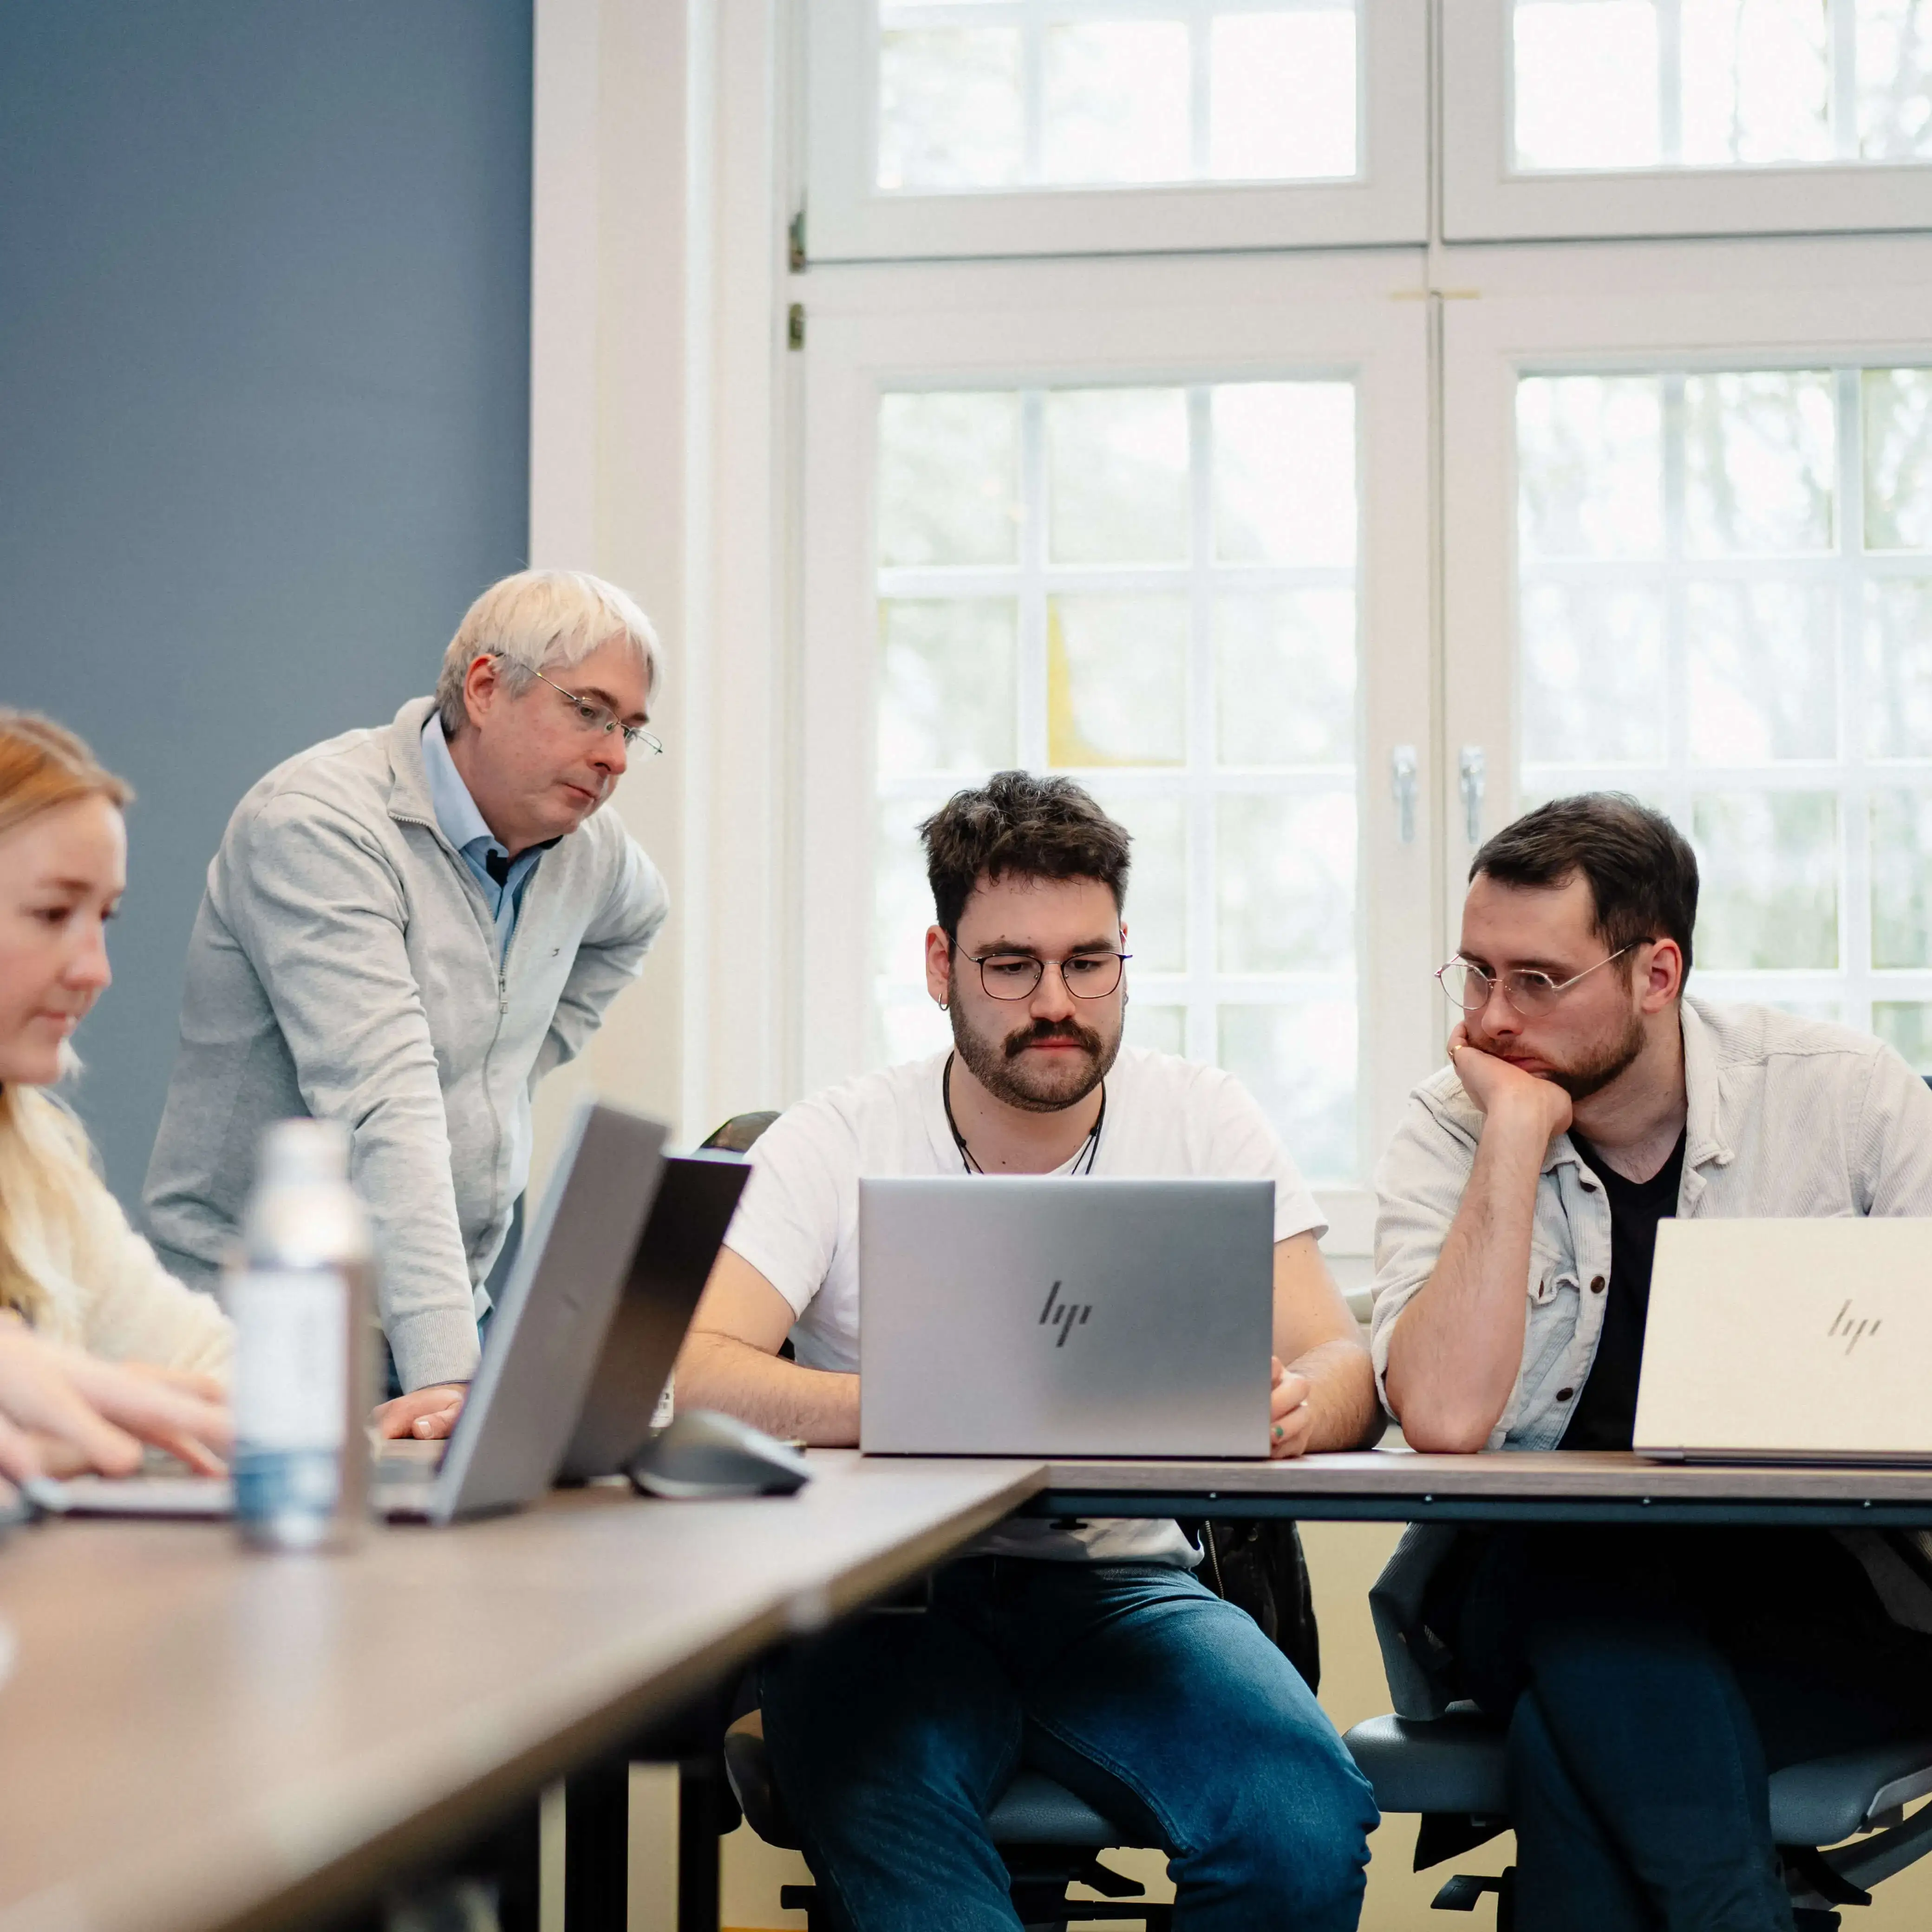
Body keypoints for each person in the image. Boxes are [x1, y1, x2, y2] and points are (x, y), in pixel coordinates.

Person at [677, 771, 1381, 1932]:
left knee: (1302, 1821)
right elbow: (702, 1373)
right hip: (884, 1601)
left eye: (1089, 962)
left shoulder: (1202, 1116)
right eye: (1011, 965)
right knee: (907, 1850)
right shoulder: (836, 1134)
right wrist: (932, 1403)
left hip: (1126, 1591)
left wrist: (1302, 1405)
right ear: (940, 961)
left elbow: (1344, 1364)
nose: (1057, 1001)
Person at [1371, 793, 1932, 1932]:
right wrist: (1517, 1135)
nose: (1489, 1017)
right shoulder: (1452, 1126)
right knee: (1591, 1560)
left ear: (1655, 973)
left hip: (1808, 1587)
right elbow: (1439, 1415)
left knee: (1571, 1746)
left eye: (1537, 979)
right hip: (1528, 1583)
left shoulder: (1844, 1096)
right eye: (1473, 973)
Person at [143, 570, 669, 1439]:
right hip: (260, 1323)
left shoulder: (588, 849)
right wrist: (453, 1389)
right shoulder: (318, 825)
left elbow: (638, 921)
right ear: (488, 686)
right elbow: (385, 1107)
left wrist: (500, 1067)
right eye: (590, 711)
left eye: (632, 731)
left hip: (438, 1308)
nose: (615, 756)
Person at [0, 710, 231, 1479]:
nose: (96, 970)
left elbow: (208, 1365)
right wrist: (79, 1436)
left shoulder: (37, 1166)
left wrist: (364, 1411)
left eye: (103, 918)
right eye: (52, 914)